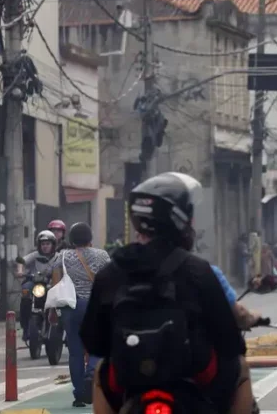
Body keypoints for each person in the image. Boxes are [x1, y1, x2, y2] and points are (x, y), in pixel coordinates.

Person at [81, 172, 254, 414]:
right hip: (194, 375)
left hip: (131, 378)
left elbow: (93, 340)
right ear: (180, 219)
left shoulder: (111, 273)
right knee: (241, 369)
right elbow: (229, 340)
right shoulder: (198, 270)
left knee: (100, 374)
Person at [50, 223, 110, 407]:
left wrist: (53, 309)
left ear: (71, 239)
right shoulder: (102, 256)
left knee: (75, 352)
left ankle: (78, 394)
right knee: (97, 346)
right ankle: (91, 371)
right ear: (89, 238)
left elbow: (56, 283)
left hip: (71, 307)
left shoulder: (62, 256)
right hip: (94, 307)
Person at [16, 230, 58, 342]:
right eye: (43, 244)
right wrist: (20, 271)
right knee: (25, 292)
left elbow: (66, 265)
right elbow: (21, 261)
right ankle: (25, 327)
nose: (45, 246)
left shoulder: (58, 257)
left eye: (48, 244)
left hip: (50, 284)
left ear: (53, 245)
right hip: (34, 282)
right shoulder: (35, 255)